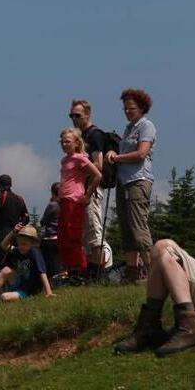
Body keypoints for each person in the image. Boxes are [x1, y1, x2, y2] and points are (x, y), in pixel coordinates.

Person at [106, 89, 156, 283]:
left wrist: (117, 158)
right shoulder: (128, 129)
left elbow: (141, 153)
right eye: (125, 108)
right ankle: (132, 272)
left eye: (131, 108)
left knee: (138, 226)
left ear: (142, 108)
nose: (127, 111)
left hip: (138, 180)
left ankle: (154, 272)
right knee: (126, 228)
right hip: (124, 181)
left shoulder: (147, 126)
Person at [69, 99, 107, 277]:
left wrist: (81, 172)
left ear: (87, 115)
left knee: (94, 232)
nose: (74, 119)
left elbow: (98, 165)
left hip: (90, 190)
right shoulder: (81, 136)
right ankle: (92, 272)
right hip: (81, 190)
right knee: (86, 233)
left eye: (77, 115)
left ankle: (99, 272)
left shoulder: (94, 135)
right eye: (71, 116)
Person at [58, 128, 102, 275]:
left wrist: (87, 195)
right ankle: (69, 268)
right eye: (63, 142)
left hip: (75, 200)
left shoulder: (80, 158)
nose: (65, 144)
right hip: (64, 200)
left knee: (73, 235)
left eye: (68, 142)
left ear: (76, 143)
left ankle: (80, 268)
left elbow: (97, 175)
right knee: (63, 236)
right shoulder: (65, 160)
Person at [0, 224, 55, 301]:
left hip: (28, 291)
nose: (21, 246)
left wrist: (48, 292)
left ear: (33, 243)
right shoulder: (19, 251)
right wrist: (13, 232)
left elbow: (42, 272)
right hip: (19, 283)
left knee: (4, 297)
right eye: (19, 244)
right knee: (6, 270)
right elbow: (3, 245)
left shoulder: (34, 252)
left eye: (24, 244)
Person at [0, 174, 29, 275]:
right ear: (10, 184)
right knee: (13, 262)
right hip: (15, 234)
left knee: (0, 263)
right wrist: (19, 226)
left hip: (1, 233)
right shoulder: (19, 198)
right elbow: (26, 217)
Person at [40, 182, 61, 278]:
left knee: (48, 264)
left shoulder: (52, 205)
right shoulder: (64, 205)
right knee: (58, 263)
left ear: (53, 192)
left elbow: (43, 221)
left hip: (49, 238)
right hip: (60, 238)